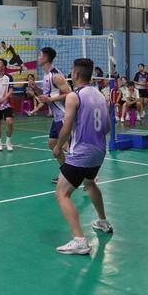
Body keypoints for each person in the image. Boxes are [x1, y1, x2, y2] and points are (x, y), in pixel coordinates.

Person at [53, 58, 112, 255]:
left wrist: (59, 147)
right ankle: (103, 221)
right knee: (90, 183)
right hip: (99, 151)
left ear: (76, 74)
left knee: (62, 194)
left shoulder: (74, 96)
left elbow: (67, 126)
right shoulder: (99, 95)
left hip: (81, 153)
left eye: (72, 70)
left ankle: (79, 239)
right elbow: (107, 127)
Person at [37, 47, 71, 182]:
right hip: (56, 117)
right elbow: (47, 95)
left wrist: (50, 100)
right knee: (52, 143)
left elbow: (69, 94)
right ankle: (66, 173)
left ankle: (88, 174)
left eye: (40, 55)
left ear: (46, 58)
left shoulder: (56, 76)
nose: (38, 58)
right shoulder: (46, 76)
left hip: (63, 115)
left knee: (67, 146)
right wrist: (34, 88)